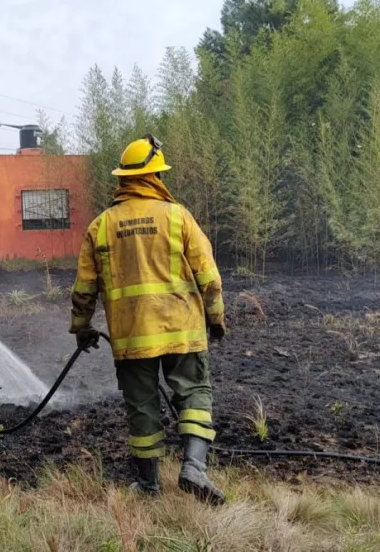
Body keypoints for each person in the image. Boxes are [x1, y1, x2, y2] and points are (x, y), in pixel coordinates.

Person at [69, 134, 227, 505]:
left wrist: (82, 328)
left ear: (124, 178)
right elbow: (209, 278)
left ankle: (150, 484)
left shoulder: (102, 225)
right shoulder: (177, 217)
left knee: (141, 405)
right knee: (194, 393)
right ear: (155, 177)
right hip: (182, 330)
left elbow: (84, 288)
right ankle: (193, 468)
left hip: (130, 336)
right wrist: (216, 318)